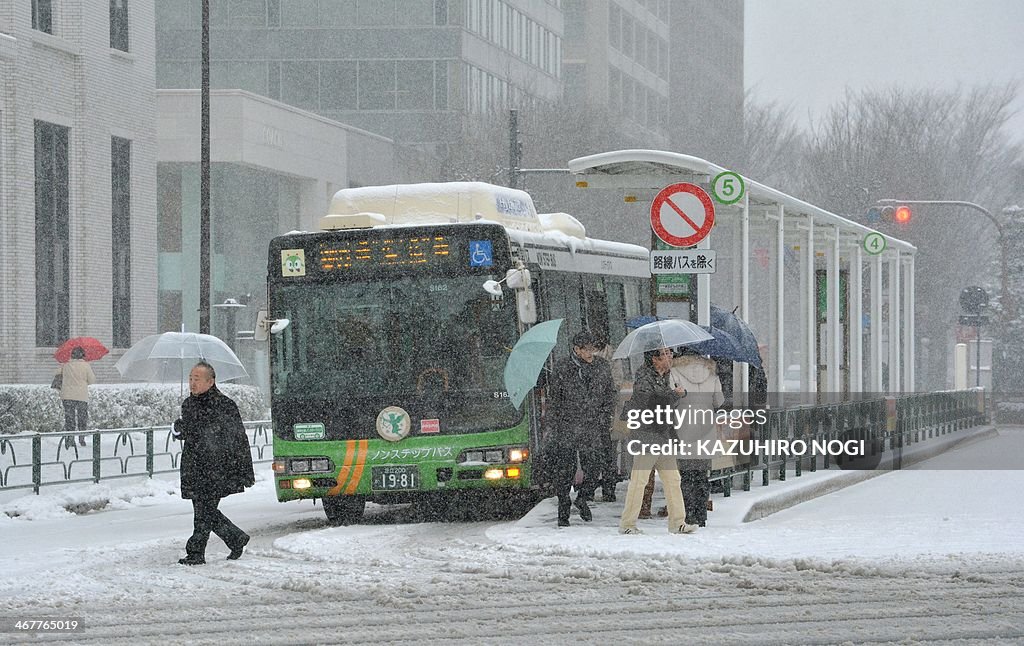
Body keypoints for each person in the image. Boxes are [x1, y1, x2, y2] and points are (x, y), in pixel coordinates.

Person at [175, 361, 255, 565]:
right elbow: (193, 433)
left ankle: (196, 552)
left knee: (203, 511)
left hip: (218, 467)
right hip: (195, 466)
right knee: (205, 510)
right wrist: (180, 429)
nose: (192, 383)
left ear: (211, 382)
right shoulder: (188, 404)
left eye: (197, 379)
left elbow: (236, 438)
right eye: (190, 378)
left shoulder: (224, 405)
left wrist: (243, 469)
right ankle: (236, 539)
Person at [618, 348, 695, 535]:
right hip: (647, 435)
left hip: (664, 434)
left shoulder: (667, 376)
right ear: (654, 359)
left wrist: (677, 394)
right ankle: (627, 524)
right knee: (639, 480)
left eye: (670, 354)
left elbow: (668, 404)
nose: (670, 357)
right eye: (665, 354)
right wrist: (674, 394)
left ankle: (678, 522)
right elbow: (651, 402)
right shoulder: (643, 377)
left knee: (673, 479)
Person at [544, 330, 616, 527]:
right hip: (566, 426)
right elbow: (554, 400)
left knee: (594, 466)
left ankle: (583, 497)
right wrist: (552, 424)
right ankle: (563, 509)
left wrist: (605, 414)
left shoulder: (601, 366)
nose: (591, 353)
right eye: (587, 349)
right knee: (564, 471)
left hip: (593, 424)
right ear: (576, 349)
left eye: (593, 349)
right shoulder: (562, 368)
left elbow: (610, 392)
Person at [670, 348, 724, 528]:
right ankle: (701, 514)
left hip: (684, 428)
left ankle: (688, 513)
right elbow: (719, 401)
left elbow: (671, 400)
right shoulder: (711, 374)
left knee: (685, 476)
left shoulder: (674, 372)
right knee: (701, 475)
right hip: (706, 431)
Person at [56, 347, 96, 448]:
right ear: (82, 355)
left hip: (67, 395)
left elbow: (57, 375)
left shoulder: (65, 365)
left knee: (69, 418)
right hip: (81, 396)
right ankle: (81, 438)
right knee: (82, 417)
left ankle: (70, 438)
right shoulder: (86, 366)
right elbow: (92, 380)